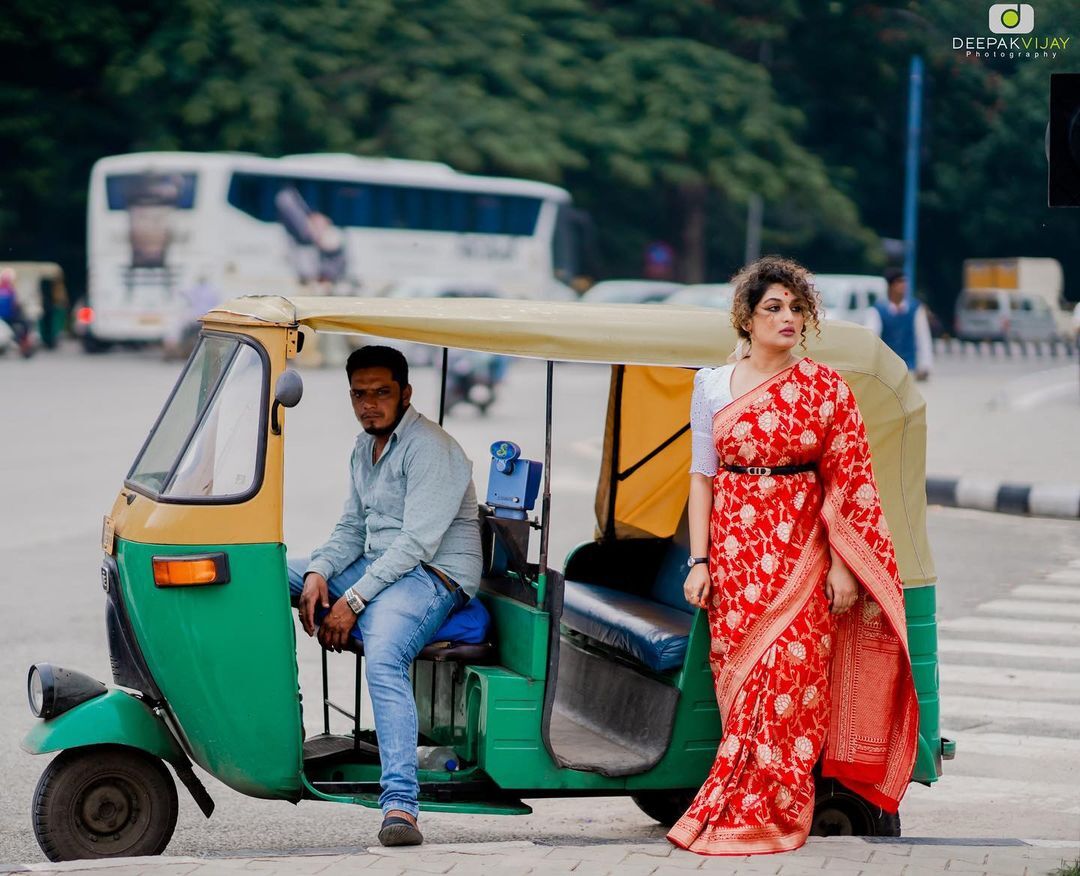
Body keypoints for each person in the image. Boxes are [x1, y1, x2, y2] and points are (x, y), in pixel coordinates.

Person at [668, 256, 918, 856]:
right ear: (747, 319)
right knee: (744, 686)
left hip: (801, 559)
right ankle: (735, 802)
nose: (787, 317)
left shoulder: (825, 389)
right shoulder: (710, 385)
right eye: (772, 308)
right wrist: (698, 562)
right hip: (734, 558)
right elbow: (702, 477)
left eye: (796, 307)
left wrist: (840, 566)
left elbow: (848, 482)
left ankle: (776, 812)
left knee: (792, 685)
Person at [289, 345, 482, 847]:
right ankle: (278, 720)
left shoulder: (431, 448)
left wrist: (351, 601)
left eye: (381, 393)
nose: (369, 404)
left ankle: (401, 805)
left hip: (432, 574)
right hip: (379, 563)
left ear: (405, 394)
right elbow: (353, 527)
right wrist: (318, 571)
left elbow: (416, 545)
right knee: (264, 575)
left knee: (384, 659)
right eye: (359, 394)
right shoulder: (363, 447)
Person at [864, 268, 932, 380]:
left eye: (904, 282)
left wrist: (925, 365)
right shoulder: (878, 310)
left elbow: (923, 338)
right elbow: (872, 339)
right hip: (886, 370)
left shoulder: (915, 309)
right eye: (899, 282)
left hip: (910, 368)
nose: (903, 286)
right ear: (891, 286)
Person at [0, 268, 34, 357]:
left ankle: (21, 343)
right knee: (26, 325)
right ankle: (23, 343)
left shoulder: (5, 290)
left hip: (5, 318)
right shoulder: (10, 291)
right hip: (9, 317)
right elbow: (15, 306)